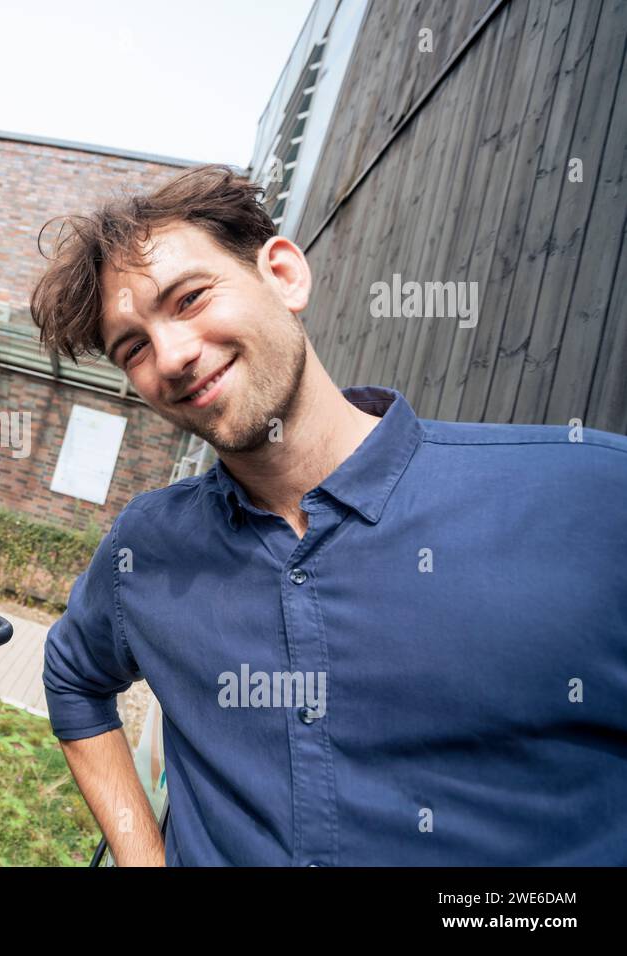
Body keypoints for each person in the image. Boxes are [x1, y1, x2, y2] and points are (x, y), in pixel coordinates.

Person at [30, 164, 627, 866]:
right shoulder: (146, 548)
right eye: (133, 347)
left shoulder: (591, 496)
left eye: (189, 299)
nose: (174, 355)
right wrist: (141, 855)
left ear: (283, 275)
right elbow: (73, 676)